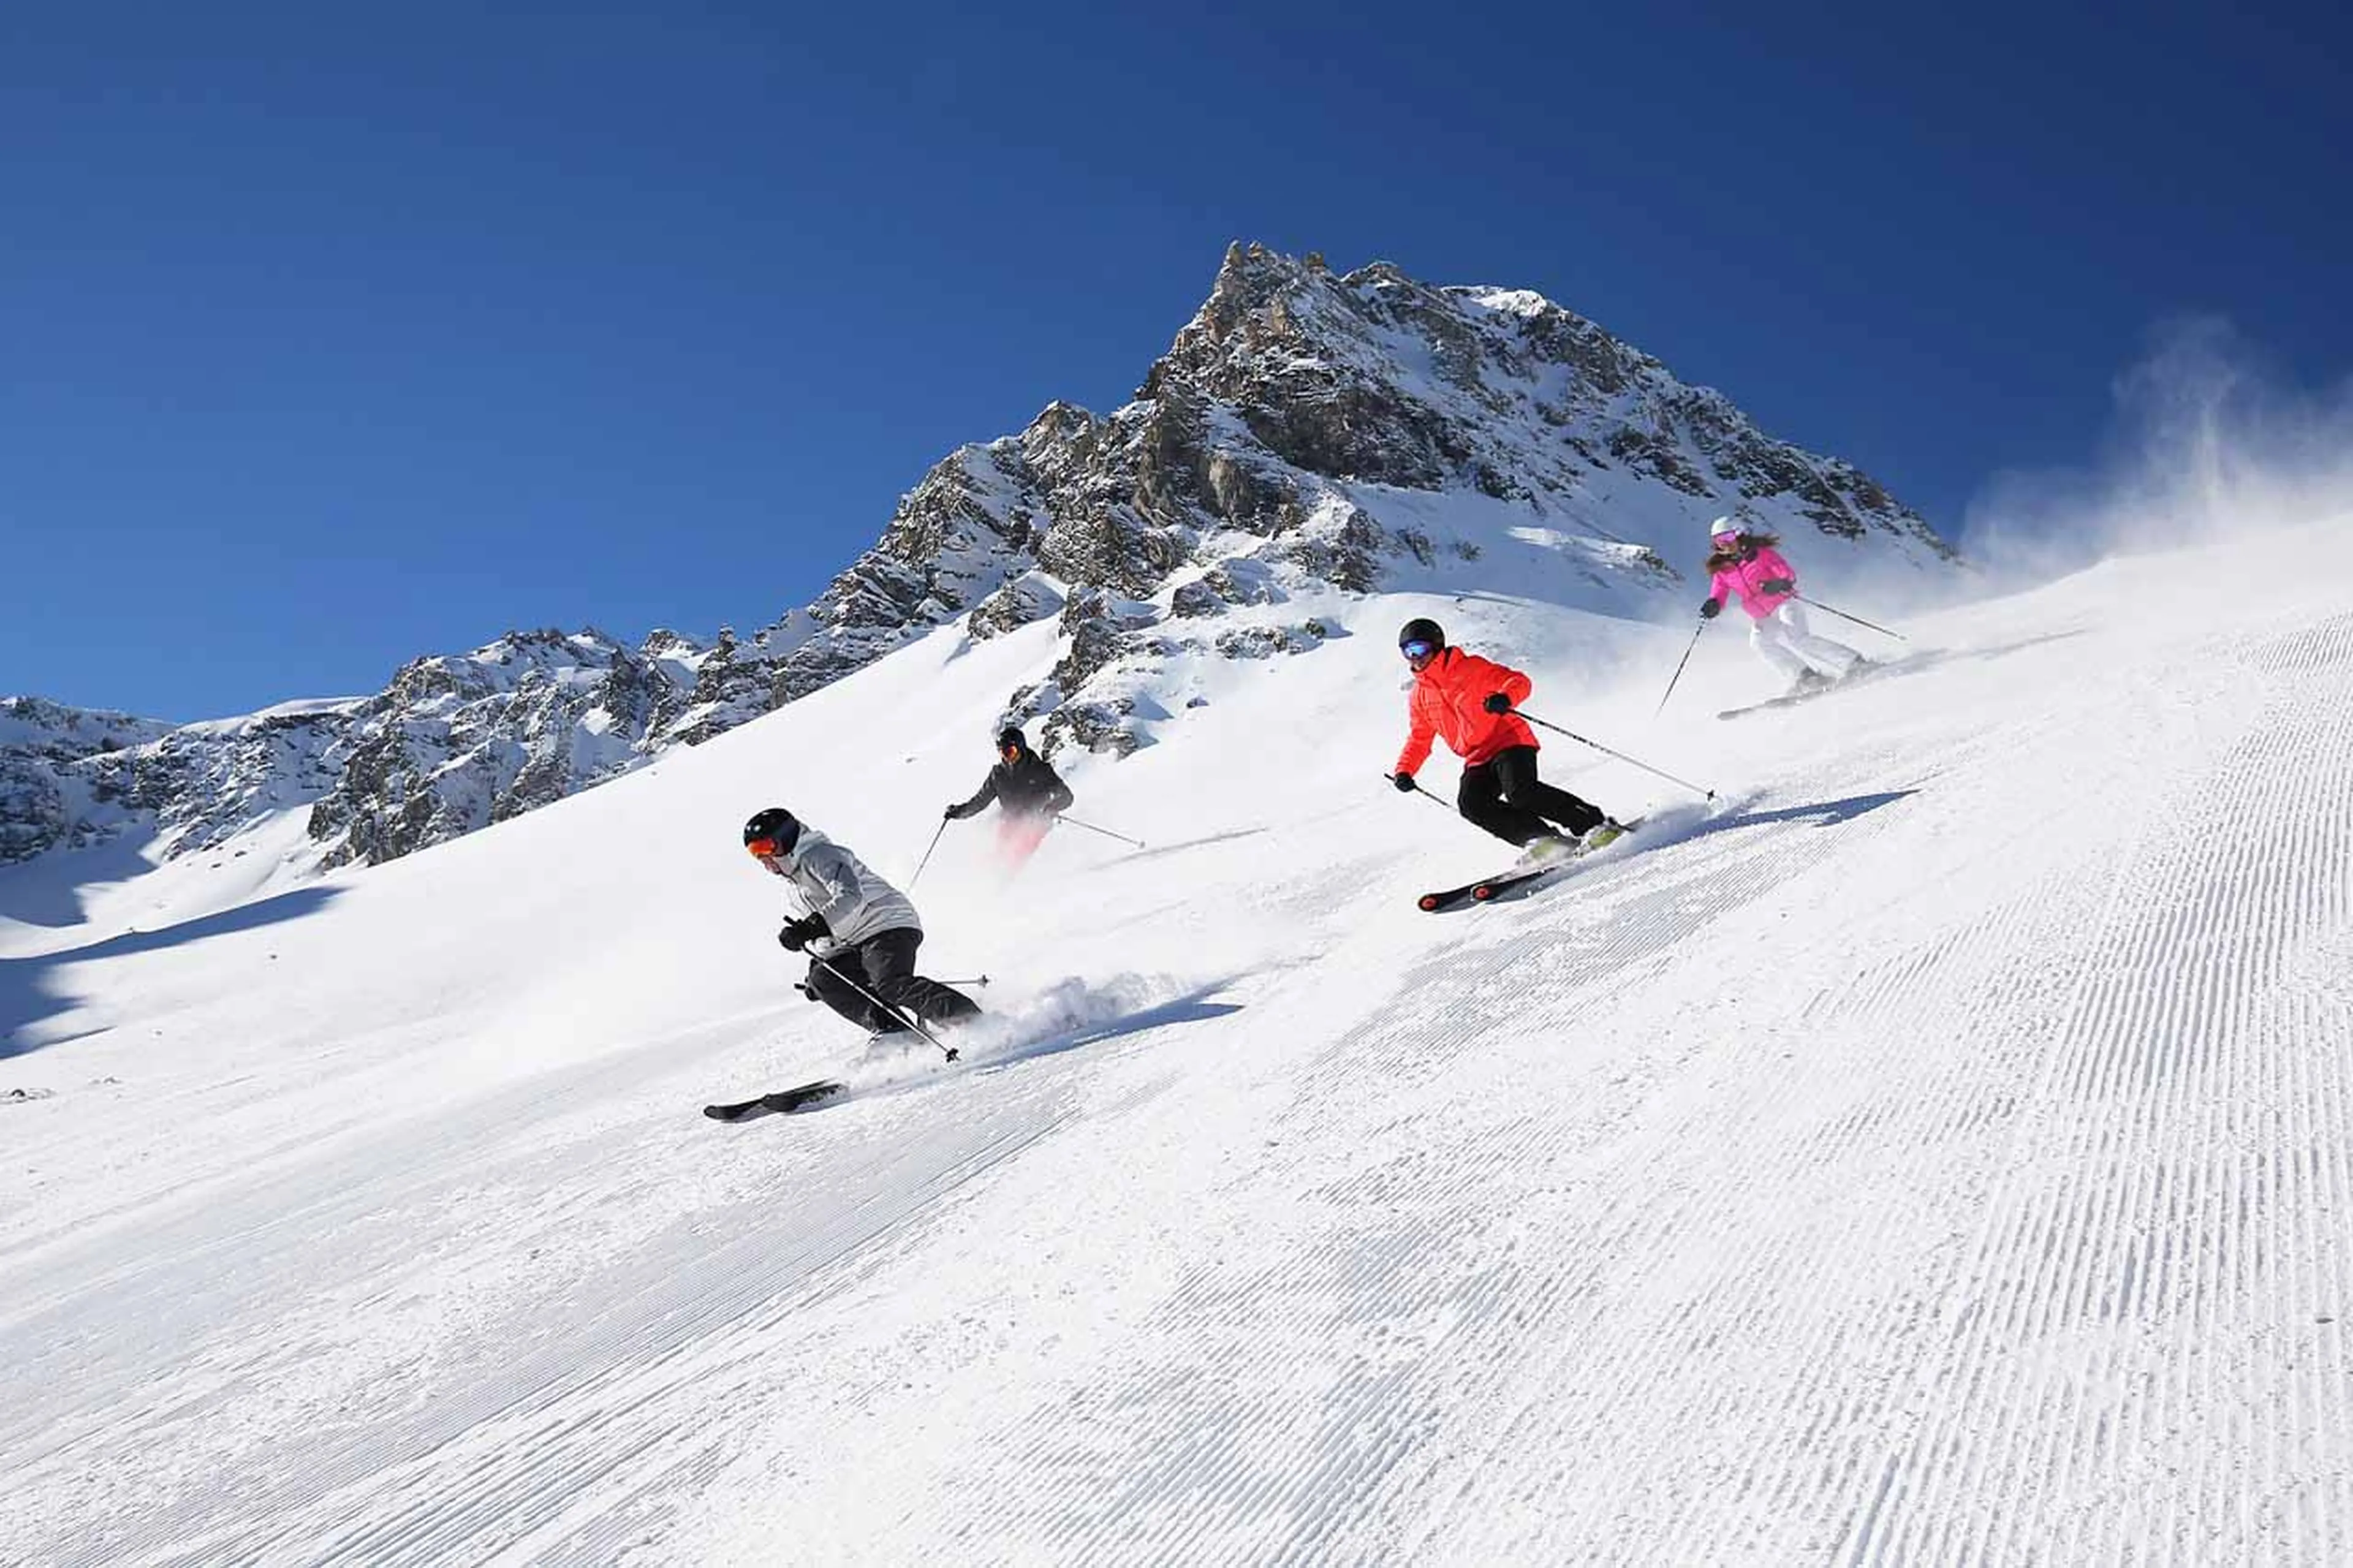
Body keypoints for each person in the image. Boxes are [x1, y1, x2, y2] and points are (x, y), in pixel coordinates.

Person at [1389, 617, 1628, 858]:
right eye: (1407, 652)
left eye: (1419, 649)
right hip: (1477, 756)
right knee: (1472, 805)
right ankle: (1544, 841)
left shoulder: (1470, 668)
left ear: (1437, 646)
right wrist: (1405, 771)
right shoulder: (1419, 696)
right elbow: (1420, 737)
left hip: (1508, 740)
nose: (1414, 657)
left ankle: (1594, 824)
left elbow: (1519, 681)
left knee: (1521, 792)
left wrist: (1506, 698)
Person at [742, 807, 982, 1039]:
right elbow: (830, 933)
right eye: (755, 852)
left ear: (787, 839)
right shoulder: (795, 887)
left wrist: (810, 927)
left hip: (887, 924)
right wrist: (823, 968)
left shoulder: (820, 855)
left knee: (891, 984)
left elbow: (849, 896)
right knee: (824, 978)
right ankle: (896, 1033)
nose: (763, 858)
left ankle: (970, 1020)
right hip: (857, 940)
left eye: (766, 847)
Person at [1699, 517, 1865, 694]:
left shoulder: (1761, 554)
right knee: (1760, 643)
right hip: (1762, 615)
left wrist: (1779, 583)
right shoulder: (1723, 569)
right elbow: (1719, 593)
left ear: (1740, 534)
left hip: (1784, 603)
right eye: (1718, 540)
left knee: (1799, 639)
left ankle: (1854, 663)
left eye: (1727, 537)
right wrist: (1713, 604)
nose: (1723, 544)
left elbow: (1787, 574)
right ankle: (1806, 678)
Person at [944, 725, 1075, 870]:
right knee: (995, 861)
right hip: (1010, 824)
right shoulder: (998, 775)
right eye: (1003, 753)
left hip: (1035, 824)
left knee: (1016, 861)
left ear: (1021, 748)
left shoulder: (1039, 769)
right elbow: (980, 801)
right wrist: (959, 812)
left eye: (1010, 752)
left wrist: (1050, 809)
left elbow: (1067, 797)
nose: (1007, 758)